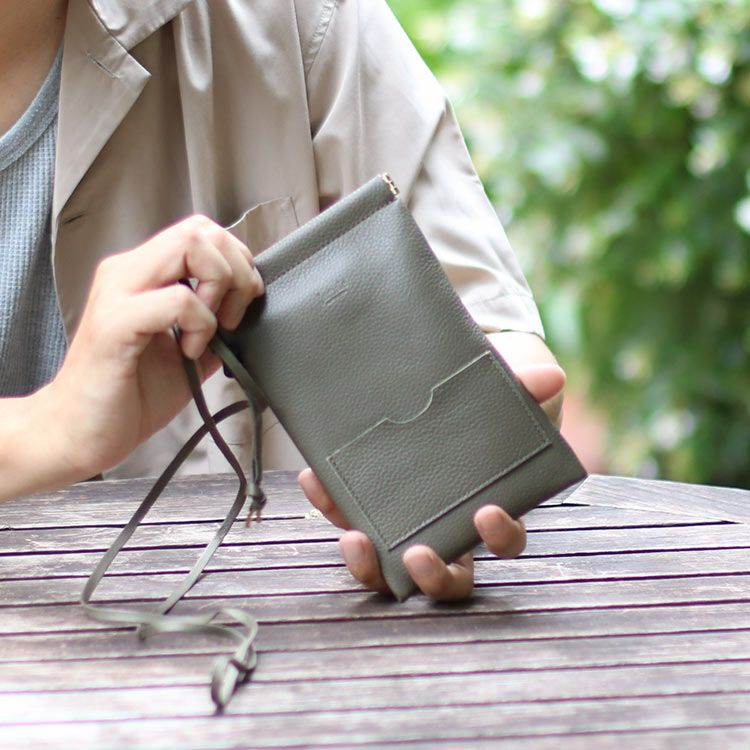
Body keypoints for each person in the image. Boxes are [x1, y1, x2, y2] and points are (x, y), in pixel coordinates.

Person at [1, 0, 567, 602]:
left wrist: (474, 456)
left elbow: (487, 325)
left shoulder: (302, 18)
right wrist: (47, 429)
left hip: (263, 628)